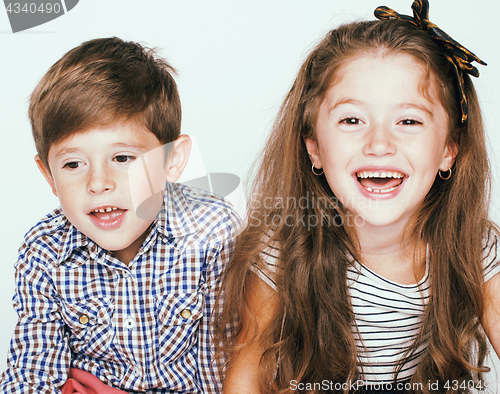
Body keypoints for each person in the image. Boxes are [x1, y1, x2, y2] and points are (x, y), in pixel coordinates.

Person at [215, 0, 500, 392]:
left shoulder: (475, 246)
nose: (379, 143)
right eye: (352, 120)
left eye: (408, 121)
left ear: (449, 150)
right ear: (313, 147)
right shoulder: (281, 248)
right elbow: (244, 375)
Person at [0, 37, 240, 394]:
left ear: (171, 160)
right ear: (48, 175)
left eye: (123, 158)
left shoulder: (212, 231)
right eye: (72, 164)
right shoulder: (44, 252)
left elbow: (225, 370)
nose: (98, 183)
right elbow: (32, 373)